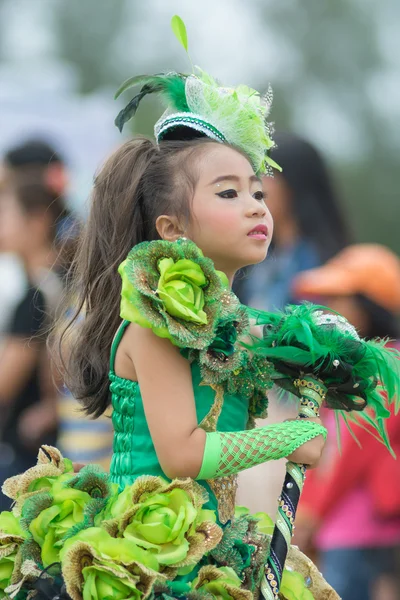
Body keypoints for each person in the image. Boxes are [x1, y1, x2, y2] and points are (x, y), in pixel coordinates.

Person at [1, 22, 398, 600]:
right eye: (228, 193)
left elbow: (299, 366)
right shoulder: (153, 325)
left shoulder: (234, 325)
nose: (255, 206)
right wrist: (286, 437)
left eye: (257, 191)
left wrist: (332, 359)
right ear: (173, 228)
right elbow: (183, 452)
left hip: (214, 546)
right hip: (145, 561)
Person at [292, 244, 400, 600]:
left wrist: (310, 515)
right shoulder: (356, 369)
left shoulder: (383, 367)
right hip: (351, 527)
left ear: (371, 305)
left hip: (357, 528)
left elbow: (351, 449)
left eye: (339, 299)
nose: (328, 310)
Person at [0, 171, 65, 509]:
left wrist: (51, 408)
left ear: (38, 220)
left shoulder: (39, 295)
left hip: (27, 457)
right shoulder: (58, 282)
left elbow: (4, 384)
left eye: (5, 212)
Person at [235, 131, 350, 310]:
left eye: (266, 173)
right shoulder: (252, 261)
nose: (254, 186)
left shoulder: (336, 269)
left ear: (295, 182)